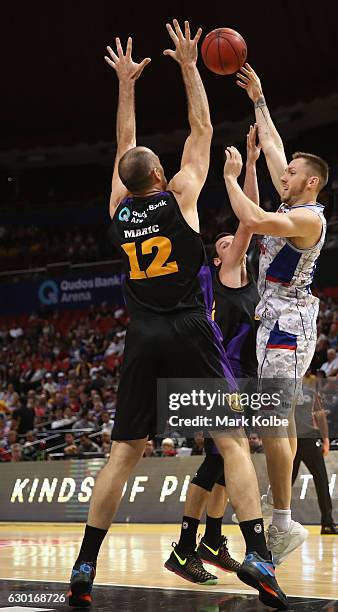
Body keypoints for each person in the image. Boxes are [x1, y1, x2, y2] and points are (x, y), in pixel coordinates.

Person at [68, 23, 287, 611]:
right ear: (161, 180)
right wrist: (191, 66)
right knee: (233, 443)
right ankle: (258, 554)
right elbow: (202, 129)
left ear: (126, 185)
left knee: (124, 453)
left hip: (141, 336)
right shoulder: (182, 193)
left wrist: (126, 87)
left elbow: (124, 152)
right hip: (191, 330)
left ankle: (85, 565)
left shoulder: (118, 212)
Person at [223, 62, 329, 565]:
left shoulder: (306, 219)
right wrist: (260, 100)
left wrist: (228, 178)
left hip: (288, 325)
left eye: (289, 174)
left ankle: (284, 521)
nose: (280, 174)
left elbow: (253, 217)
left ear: (309, 184)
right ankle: (281, 513)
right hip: (277, 323)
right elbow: (273, 148)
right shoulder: (297, 203)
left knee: (274, 421)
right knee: (275, 422)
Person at [166, 124, 261, 581]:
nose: (230, 243)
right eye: (222, 245)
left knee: (226, 460)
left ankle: (210, 540)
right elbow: (247, 220)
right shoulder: (226, 277)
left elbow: (251, 222)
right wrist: (245, 169)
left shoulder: (245, 280)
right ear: (219, 259)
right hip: (222, 378)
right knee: (219, 459)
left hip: (237, 378)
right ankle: (188, 545)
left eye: (232, 242)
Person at [292, 384, 338, 535]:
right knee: (285, 483)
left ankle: (327, 523)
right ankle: (277, 523)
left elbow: (320, 415)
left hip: (309, 439)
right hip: (290, 440)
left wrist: (326, 439)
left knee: (321, 480)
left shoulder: (310, 392)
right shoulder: (282, 390)